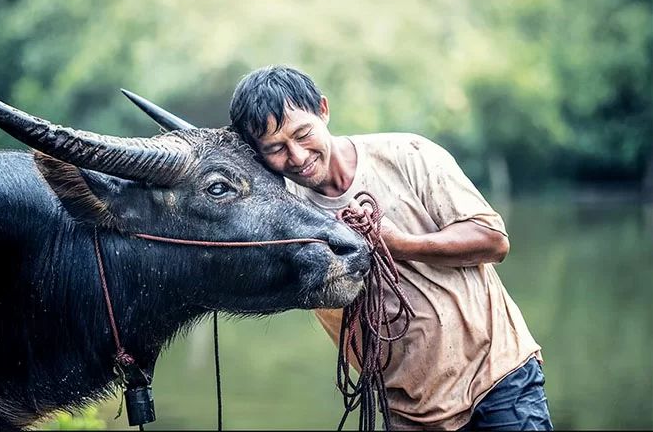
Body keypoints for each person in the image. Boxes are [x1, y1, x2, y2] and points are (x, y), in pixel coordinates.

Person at [228, 65, 553, 431]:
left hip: (496, 377)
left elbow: (493, 240)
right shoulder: (286, 215)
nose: (298, 157)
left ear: (323, 109)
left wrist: (402, 245)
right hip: (408, 407)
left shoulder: (409, 154)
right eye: (276, 149)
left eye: (303, 135)